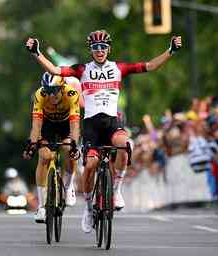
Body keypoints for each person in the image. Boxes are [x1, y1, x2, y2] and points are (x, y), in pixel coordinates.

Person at [25, 30, 182, 232]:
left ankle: (116, 191)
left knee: (125, 146)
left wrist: (171, 50)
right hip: (91, 126)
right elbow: (55, 70)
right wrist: (36, 53)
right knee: (90, 165)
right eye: (95, 48)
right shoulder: (82, 69)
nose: (99, 51)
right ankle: (89, 209)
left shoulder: (118, 68)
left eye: (103, 47)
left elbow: (150, 66)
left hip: (112, 123)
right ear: (90, 50)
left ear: (108, 49)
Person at [23, 72, 80, 223]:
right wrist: (31, 144)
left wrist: (74, 144)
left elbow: (75, 125)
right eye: (48, 91)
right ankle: (41, 207)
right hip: (47, 126)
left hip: (66, 125)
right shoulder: (40, 95)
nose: (51, 95)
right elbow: (36, 125)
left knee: (69, 149)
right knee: (44, 157)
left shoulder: (71, 94)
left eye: (55, 91)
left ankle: (68, 187)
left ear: (62, 88)